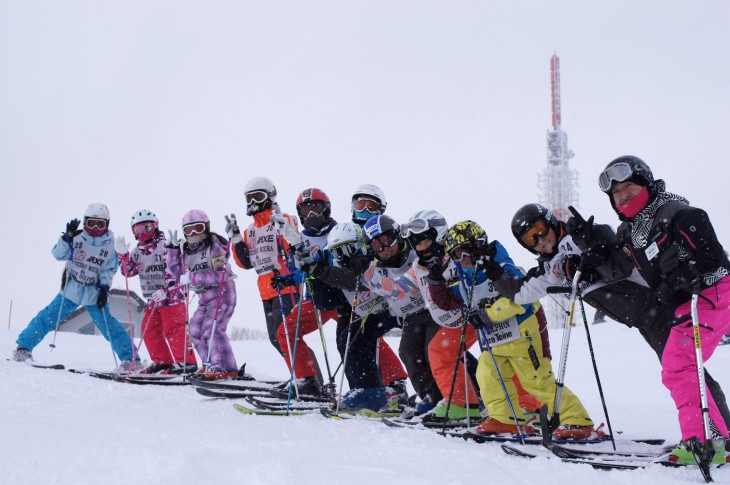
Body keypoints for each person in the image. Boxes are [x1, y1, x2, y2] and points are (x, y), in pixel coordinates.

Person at [508, 202, 730, 434]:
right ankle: (713, 431)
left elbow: (618, 259)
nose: (540, 240)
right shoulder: (550, 269)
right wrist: (493, 271)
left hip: (655, 306)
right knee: (683, 369)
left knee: (684, 370)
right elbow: (521, 293)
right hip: (641, 318)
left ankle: (712, 433)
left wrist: (590, 244)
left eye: (540, 230)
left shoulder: (580, 234)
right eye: (530, 240)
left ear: (550, 222)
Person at [598, 155, 730, 464]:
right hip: (687, 300)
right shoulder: (632, 232)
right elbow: (625, 269)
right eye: (616, 193)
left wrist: (685, 274)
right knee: (677, 364)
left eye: (628, 187)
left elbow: (715, 259)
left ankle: (707, 440)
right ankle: (714, 437)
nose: (622, 196)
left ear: (645, 183)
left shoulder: (676, 213)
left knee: (679, 361)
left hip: (711, 291)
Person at [427, 220, 597, 439]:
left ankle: (577, 420)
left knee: (536, 380)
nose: (462, 259)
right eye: (456, 254)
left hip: (524, 331)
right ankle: (505, 419)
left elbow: (522, 300)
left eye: (466, 251)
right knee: (488, 374)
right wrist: (434, 279)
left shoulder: (501, 268)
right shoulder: (466, 278)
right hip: (495, 338)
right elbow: (449, 302)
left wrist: (488, 314)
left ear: (479, 245)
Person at [13, 203, 140, 371]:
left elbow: (108, 270)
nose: (95, 228)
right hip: (72, 288)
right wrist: (66, 239)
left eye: (100, 224)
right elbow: (58, 254)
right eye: (91, 223)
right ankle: (23, 349)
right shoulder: (76, 238)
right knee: (48, 316)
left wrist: (104, 288)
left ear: (107, 224)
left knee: (109, 326)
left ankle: (131, 360)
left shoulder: (111, 245)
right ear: (84, 222)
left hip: (93, 292)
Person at [361, 215, 443, 414]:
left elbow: (398, 288)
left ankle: (454, 395)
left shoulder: (416, 255)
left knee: (434, 353)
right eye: (377, 245)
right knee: (408, 353)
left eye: (388, 240)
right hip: (410, 317)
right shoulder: (377, 267)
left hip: (433, 312)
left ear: (398, 235)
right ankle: (430, 397)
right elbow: (388, 289)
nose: (385, 249)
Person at [114, 209, 197, 374]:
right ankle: (163, 361)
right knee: (149, 329)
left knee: (174, 329)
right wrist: (123, 255)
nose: (144, 232)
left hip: (172, 297)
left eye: (147, 227)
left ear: (156, 226)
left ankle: (186, 363)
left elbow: (176, 269)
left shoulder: (166, 246)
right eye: (139, 229)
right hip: (152, 300)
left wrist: (167, 290)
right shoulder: (137, 252)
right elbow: (128, 272)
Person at [230, 177, 299, 360]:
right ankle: (299, 376)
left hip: (285, 285)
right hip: (265, 290)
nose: (253, 202)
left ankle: (308, 377)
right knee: (275, 338)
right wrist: (236, 240)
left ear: (271, 196)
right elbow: (246, 263)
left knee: (285, 336)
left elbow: (294, 252)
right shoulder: (250, 230)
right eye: (249, 198)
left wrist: (283, 231)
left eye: (258, 197)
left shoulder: (284, 219)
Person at [166, 210, 238, 379]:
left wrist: (192, 277)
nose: (193, 234)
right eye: (189, 230)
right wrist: (172, 250)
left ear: (206, 227)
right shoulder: (186, 250)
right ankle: (210, 365)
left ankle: (223, 368)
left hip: (223, 294)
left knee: (212, 329)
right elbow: (175, 271)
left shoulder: (214, 246)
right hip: (204, 298)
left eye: (198, 228)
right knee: (195, 331)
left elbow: (220, 275)